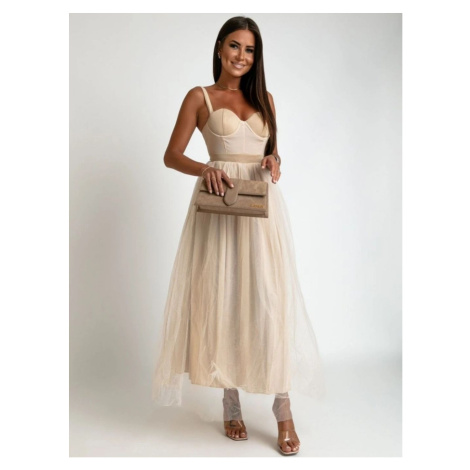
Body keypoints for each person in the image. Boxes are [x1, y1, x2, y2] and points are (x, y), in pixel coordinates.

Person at [152, 16, 325, 456]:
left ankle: (283, 410)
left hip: (262, 211)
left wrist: (274, 163)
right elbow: (171, 155)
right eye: (234, 46)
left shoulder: (266, 98)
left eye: (249, 50)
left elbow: (272, 153)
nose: (241, 56)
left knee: (270, 305)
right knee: (223, 300)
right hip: (219, 205)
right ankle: (231, 403)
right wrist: (205, 168)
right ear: (219, 48)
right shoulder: (200, 96)